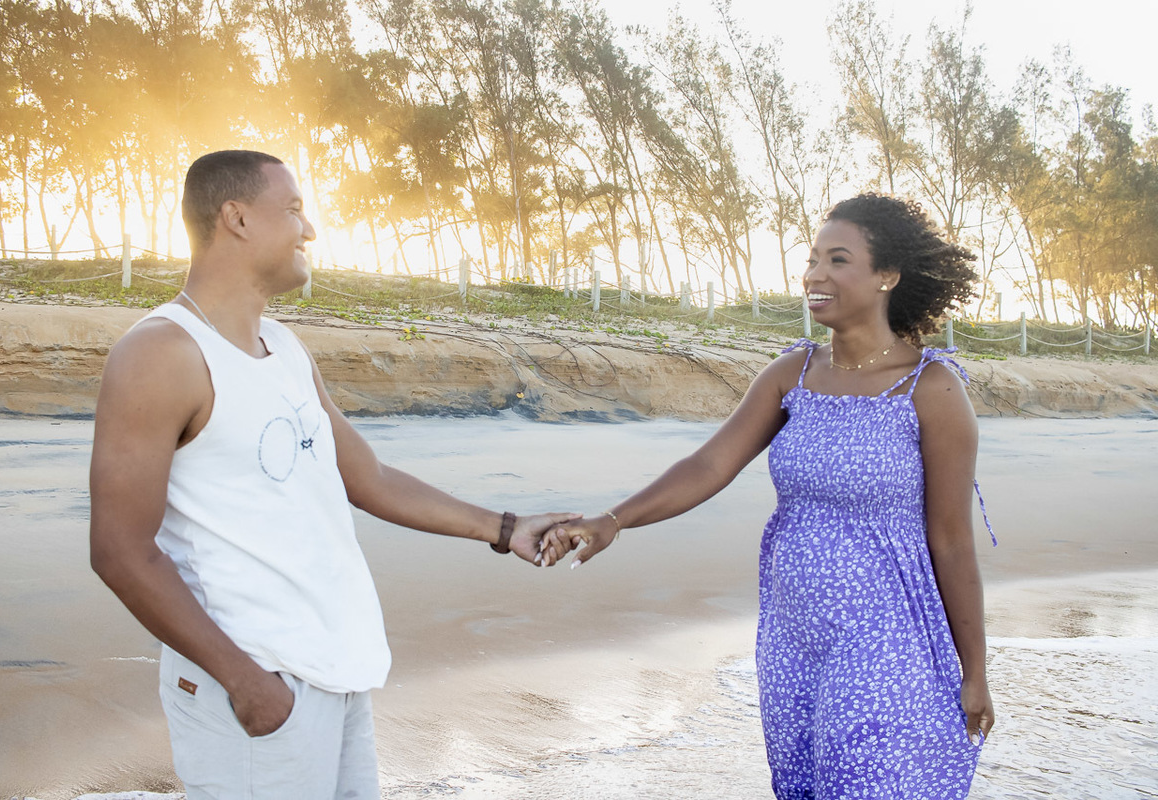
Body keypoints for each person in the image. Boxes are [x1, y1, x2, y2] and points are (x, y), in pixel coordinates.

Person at [88, 149, 578, 800]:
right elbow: (119, 550)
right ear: (236, 218)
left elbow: (368, 477)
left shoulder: (284, 348)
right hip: (256, 683)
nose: (310, 229)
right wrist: (245, 682)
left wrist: (506, 528)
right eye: (293, 209)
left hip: (334, 673)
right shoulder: (161, 353)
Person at [548, 194, 996, 798]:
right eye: (812, 259)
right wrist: (613, 520)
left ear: (887, 275)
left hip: (886, 637)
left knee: (868, 780)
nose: (815, 275)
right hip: (794, 637)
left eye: (838, 260)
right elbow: (710, 464)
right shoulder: (793, 374)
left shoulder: (931, 388)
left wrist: (975, 671)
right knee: (804, 785)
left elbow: (952, 540)